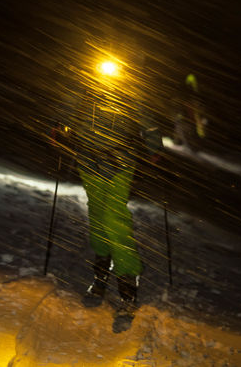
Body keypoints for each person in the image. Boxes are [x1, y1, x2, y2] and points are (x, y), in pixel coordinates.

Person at [51, 52, 161, 332]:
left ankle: (127, 285)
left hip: (121, 161)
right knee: (98, 219)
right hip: (89, 160)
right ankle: (101, 275)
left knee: (115, 220)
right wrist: (58, 126)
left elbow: (146, 118)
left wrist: (154, 147)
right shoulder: (85, 86)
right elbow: (68, 106)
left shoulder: (130, 91)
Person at [172, 73, 207, 151]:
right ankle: (181, 141)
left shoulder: (191, 98)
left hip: (190, 119)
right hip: (188, 118)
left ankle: (186, 142)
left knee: (185, 127)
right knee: (183, 126)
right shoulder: (187, 98)